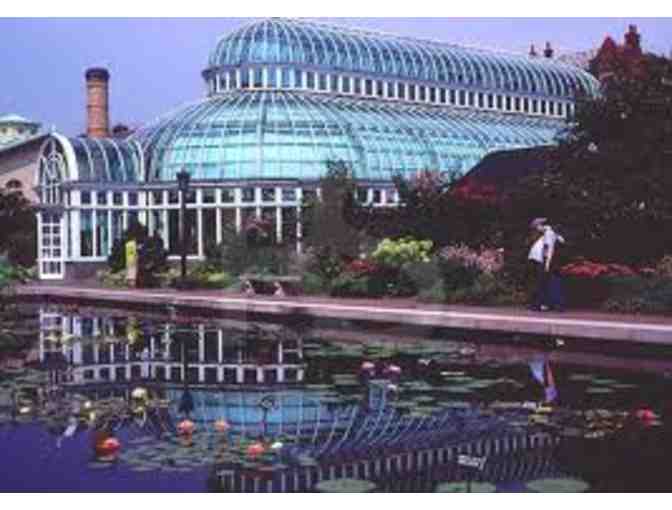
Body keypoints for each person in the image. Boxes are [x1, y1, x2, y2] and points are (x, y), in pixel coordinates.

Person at [528, 218, 565, 311]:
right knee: (547, 283)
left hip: (544, 261)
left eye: (537, 226)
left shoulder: (549, 233)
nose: (537, 228)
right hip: (545, 260)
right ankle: (546, 304)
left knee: (543, 283)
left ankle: (540, 304)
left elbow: (547, 248)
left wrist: (546, 263)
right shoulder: (549, 233)